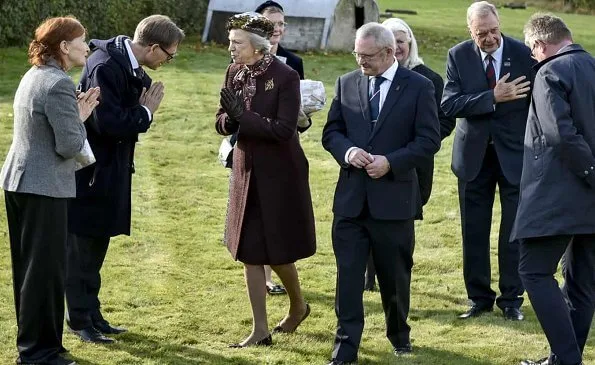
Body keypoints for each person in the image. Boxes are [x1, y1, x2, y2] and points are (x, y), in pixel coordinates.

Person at [322, 22, 440, 364]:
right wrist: (347, 152)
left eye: (367, 56)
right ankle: (345, 348)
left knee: (394, 276)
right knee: (347, 277)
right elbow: (333, 132)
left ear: (389, 53)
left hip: (394, 201)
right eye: (357, 54)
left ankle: (399, 334)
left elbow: (429, 140)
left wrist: (391, 162)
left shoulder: (419, 87)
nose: (361, 62)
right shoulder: (347, 83)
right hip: (351, 202)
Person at [65, 15, 184, 344]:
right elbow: (110, 123)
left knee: (97, 246)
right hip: (90, 173)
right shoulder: (106, 65)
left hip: (109, 170)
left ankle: (93, 314)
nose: (169, 62)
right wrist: (145, 113)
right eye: (169, 55)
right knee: (82, 250)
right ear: (153, 47)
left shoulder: (127, 64)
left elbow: (137, 94)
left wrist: (141, 101)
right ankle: (78, 320)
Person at [0, 16, 99, 365]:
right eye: (81, 40)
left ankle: (38, 347)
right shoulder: (57, 83)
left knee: (32, 271)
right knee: (44, 272)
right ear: (63, 47)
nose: (86, 46)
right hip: (42, 187)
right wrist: (80, 117)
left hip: (22, 182)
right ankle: (38, 353)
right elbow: (69, 144)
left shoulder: (35, 75)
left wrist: (73, 116)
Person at [215, 12, 316, 348]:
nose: (230, 48)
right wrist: (229, 121)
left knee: (277, 250)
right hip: (245, 169)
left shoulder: (284, 76)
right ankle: (260, 330)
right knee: (250, 250)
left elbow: (284, 130)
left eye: (236, 43)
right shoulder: (234, 71)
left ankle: (298, 305)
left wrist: (245, 117)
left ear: (257, 47)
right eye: (230, 42)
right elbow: (220, 120)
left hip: (281, 172)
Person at [441, 0, 535, 321]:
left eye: (494, 30)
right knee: (474, 230)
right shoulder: (458, 55)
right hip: (473, 158)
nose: (490, 38)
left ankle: (511, 299)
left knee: (514, 230)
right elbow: (450, 105)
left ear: (500, 24)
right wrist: (491, 97)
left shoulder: (524, 55)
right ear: (470, 30)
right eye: (482, 33)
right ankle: (479, 298)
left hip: (515, 156)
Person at [511, 13, 595, 365]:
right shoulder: (592, 65)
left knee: (533, 271)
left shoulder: (550, 72)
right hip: (589, 198)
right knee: (582, 282)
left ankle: (567, 357)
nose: (533, 57)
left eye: (533, 51)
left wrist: (591, 170)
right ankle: (563, 359)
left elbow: (559, 133)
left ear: (539, 45)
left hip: (558, 195)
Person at [363, 17, 457, 292]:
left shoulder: (429, 79)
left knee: (401, 222)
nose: (397, 47)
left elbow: (445, 120)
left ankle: (396, 276)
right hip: (372, 162)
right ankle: (369, 278)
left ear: (409, 44)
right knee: (368, 216)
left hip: (414, 165)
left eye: (401, 41)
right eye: (391, 42)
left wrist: (417, 143)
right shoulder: (367, 77)